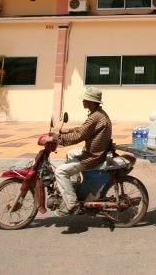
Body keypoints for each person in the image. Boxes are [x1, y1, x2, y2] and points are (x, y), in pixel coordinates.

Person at [54, 87, 113, 215]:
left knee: (60, 172)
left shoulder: (95, 117)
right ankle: (74, 185)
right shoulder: (98, 114)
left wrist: (57, 139)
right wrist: (69, 131)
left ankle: (72, 204)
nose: (83, 102)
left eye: (85, 100)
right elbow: (84, 129)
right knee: (70, 153)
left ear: (91, 102)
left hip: (93, 156)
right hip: (96, 150)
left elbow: (80, 135)